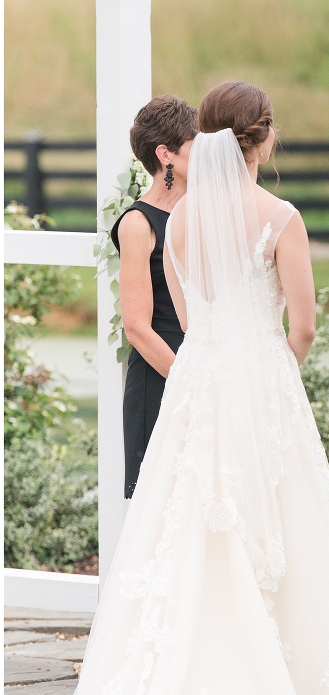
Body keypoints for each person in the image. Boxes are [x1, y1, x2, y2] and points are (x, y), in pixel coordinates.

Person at [6, 81, 329, 695]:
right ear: (265, 135)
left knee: (189, 526)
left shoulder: (181, 220)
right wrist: (269, 375)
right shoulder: (281, 217)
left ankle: (184, 674)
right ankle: (289, 679)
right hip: (261, 380)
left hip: (201, 380)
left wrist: (222, 365)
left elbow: (191, 322)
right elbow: (303, 327)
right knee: (280, 521)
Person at [111, 95, 198, 499]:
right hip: (163, 376)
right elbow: (136, 327)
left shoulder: (200, 212)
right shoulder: (137, 223)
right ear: (166, 155)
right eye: (195, 144)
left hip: (205, 363)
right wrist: (192, 382)